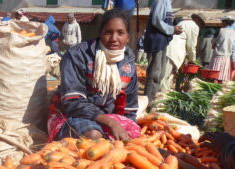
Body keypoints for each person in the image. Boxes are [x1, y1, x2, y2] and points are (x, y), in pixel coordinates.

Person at [47, 9, 140, 142]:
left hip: (108, 117)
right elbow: (72, 101)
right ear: (100, 34)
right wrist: (110, 123)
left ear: (128, 37)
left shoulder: (128, 63)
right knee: (93, 136)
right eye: (108, 32)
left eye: (120, 33)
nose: (114, 39)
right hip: (73, 114)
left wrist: (127, 127)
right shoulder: (78, 55)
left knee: (133, 140)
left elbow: (129, 108)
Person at [143, 0, 183, 102]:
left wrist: (172, 29)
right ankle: (147, 103)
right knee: (154, 74)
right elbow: (156, 21)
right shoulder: (161, 1)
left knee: (160, 74)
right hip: (156, 40)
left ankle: (152, 101)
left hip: (161, 41)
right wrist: (172, 29)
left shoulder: (167, 2)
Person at [160, 14, 205, 92]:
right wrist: (192, 59)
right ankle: (161, 96)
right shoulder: (194, 26)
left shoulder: (183, 22)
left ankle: (163, 93)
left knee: (166, 74)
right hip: (174, 51)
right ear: (199, 21)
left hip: (167, 48)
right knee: (166, 76)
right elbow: (191, 45)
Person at [208, 16, 235, 82]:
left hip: (217, 57)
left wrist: (215, 44)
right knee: (223, 78)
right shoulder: (233, 32)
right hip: (227, 58)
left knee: (214, 77)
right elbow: (233, 48)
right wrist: (233, 60)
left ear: (225, 22)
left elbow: (212, 41)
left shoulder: (219, 30)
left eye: (222, 22)